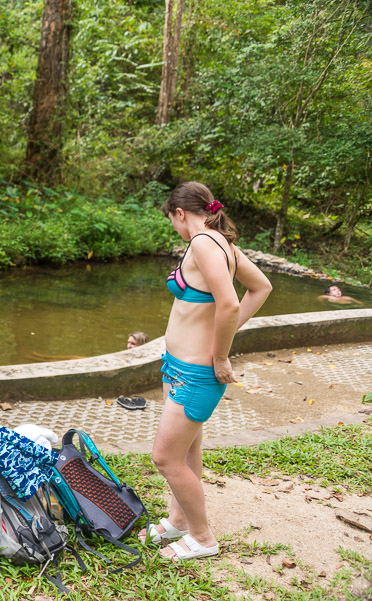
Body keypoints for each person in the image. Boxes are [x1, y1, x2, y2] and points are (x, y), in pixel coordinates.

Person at [140, 182, 272, 562]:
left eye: (174, 222)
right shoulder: (222, 243)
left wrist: (220, 354)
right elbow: (261, 287)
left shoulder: (202, 242)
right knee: (188, 448)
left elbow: (230, 304)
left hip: (197, 373)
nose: (176, 230)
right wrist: (219, 334)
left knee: (165, 458)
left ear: (180, 213)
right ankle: (179, 521)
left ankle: (202, 537)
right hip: (178, 365)